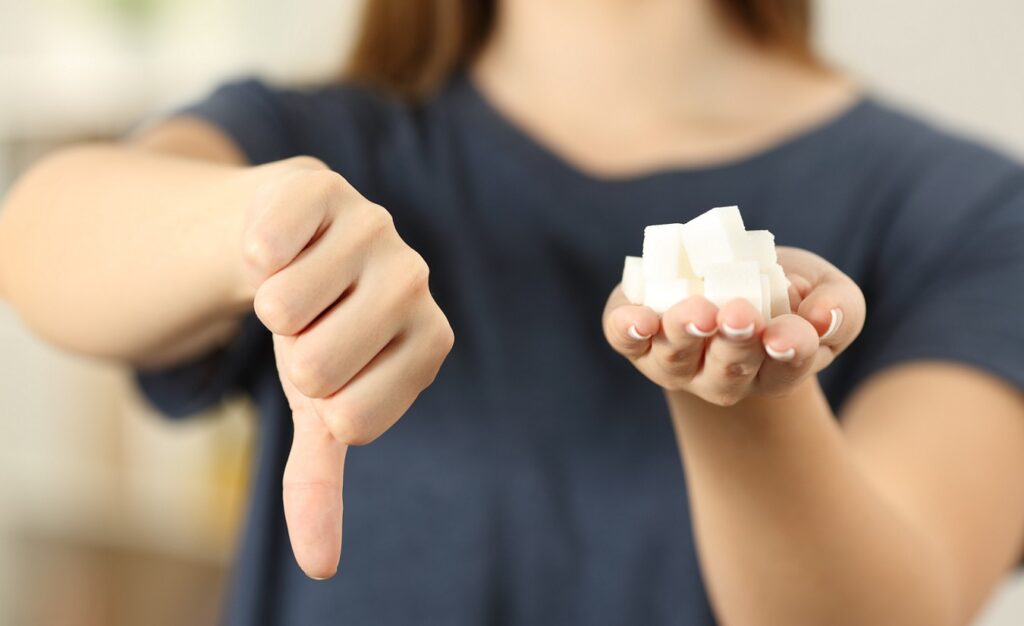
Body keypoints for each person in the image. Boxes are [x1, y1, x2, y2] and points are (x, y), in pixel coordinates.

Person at [1, 0, 1022, 624]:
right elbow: (41, 232)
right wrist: (260, 230)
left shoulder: (969, 215)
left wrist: (747, 386)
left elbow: (896, 610)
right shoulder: (324, 139)